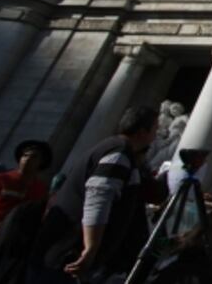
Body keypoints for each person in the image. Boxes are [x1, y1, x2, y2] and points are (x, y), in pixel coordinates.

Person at [28, 106, 160, 284]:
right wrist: (90, 248)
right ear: (142, 132)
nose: (156, 135)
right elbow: (98, 200)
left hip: (63, 250)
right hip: (69, 253)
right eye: (155, 129)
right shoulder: (118, 154)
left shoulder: (115, 150)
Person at [0, 140, 51, 234]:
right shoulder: (0, 179)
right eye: (25, 155)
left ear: (42, 162)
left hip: (12, 236)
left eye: (34, 157)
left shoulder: (41, 190)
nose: (27, 159)